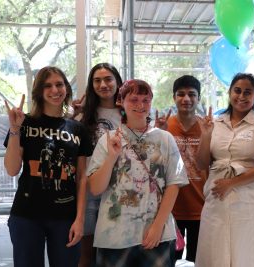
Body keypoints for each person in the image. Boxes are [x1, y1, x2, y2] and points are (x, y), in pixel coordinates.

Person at [87, 79, 188, 267]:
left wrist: (158, 226)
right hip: (114, 236)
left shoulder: (165, 139)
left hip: (156, 234)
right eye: (133, 99)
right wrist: (111, 157)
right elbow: (95, 188)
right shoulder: (108, 139)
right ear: (121, 101)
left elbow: (174, 184)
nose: (140, 105)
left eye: (146, 100)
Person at [3, 66, 92, 267]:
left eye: (59, 84)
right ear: (39, 92)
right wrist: (15, 130)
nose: (55, 90)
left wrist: (80, 220)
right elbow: (11, 169)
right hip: (27, 215)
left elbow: (81, 178)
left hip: (65, 217)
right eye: (47, 85)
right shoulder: (24, 123)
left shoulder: (77, 129)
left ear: (66, 88)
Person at [195, 73, 254, 267]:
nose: (241, 96)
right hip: (217, 195)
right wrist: (205, 136)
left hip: (253, 196)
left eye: (247, 92)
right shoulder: (215, 122)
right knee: (215, 247)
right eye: (237, 91)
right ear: (229, 92)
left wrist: (231, 183)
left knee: (250, 251)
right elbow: (201, 164)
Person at [75, 63, 123, 267]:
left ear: (117, 82)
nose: (103, 84)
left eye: (108, 79)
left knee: (112, 250)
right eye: (97, 80)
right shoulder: (82, 115)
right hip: (89, 189)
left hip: (118, 188)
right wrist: (72, 116)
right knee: (85, 250)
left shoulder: (127, 111)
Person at [167, 75, 207, 262]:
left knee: (197, 260)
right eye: (181, 94)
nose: (186, 99)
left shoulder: (207, 127)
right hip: (171, 208)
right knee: (170, 259)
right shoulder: (165, 126)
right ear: (174, 97)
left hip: (201, 206)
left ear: (198, 98)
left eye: (192, 94)